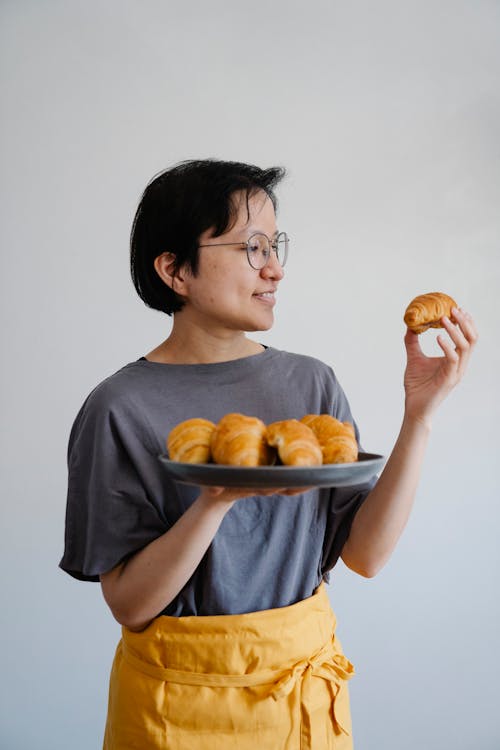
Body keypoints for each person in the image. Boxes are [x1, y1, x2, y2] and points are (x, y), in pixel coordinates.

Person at [59, 159, 477, 750]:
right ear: (175, 269)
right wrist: (213, 503)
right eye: (252, 247)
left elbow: (366, 555)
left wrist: (419, 416)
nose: (276, 268)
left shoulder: (310, 385)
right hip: (175, 708)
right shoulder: (119, 407)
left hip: (300, 701)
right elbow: (128, 604)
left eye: (276, 244)